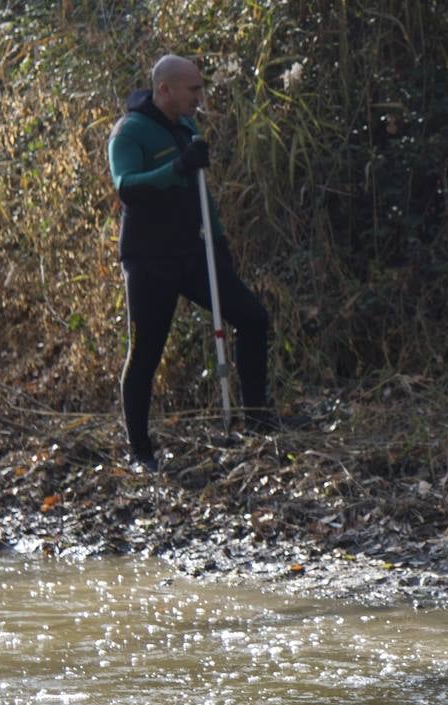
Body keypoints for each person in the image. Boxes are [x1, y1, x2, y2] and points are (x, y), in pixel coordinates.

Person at [107, 54, 293, 472]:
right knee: (145, 354)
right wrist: (176, 167)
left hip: (195, 253)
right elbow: (127, 188)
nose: (200, 96)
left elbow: (201, 193)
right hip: (149, 259)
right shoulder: (128, 132)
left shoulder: (188, 127)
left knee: (252, 317)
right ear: (164, 89)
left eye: (200, 87)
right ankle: (140, 452)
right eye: (193, 89)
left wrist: (220, 240)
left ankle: (258, 420)